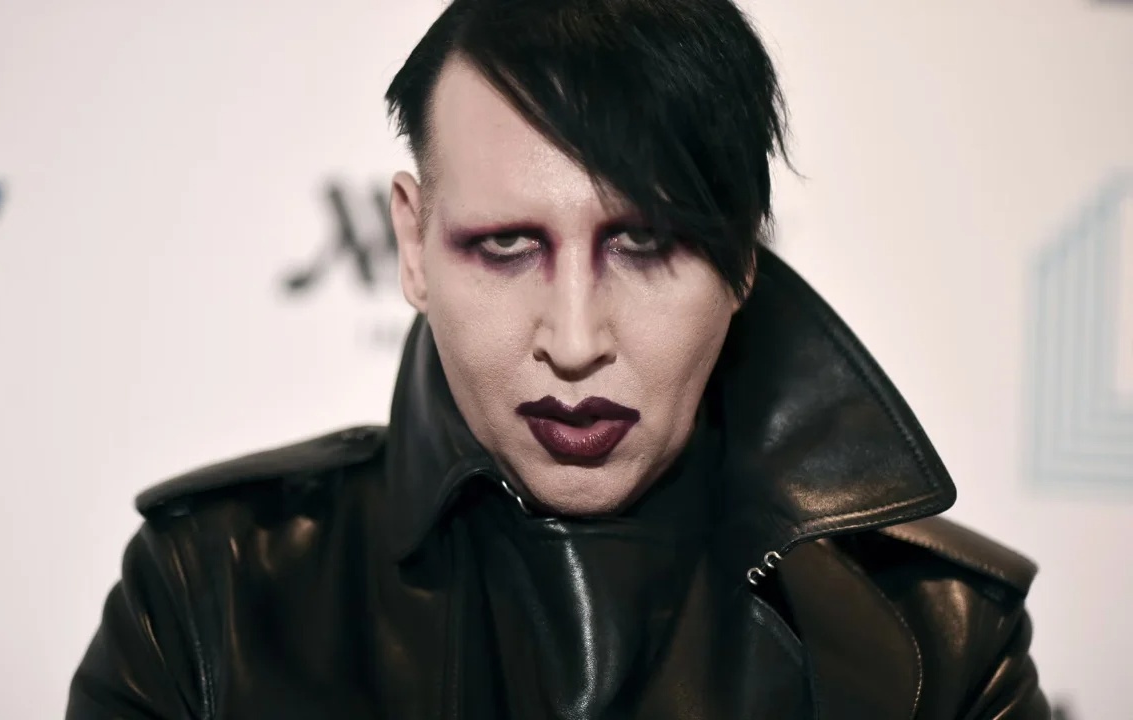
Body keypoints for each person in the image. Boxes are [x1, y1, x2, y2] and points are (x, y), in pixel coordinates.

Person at [67, 0, 1051, 717]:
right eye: (505, 244)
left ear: (744, 256)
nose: (575, 343)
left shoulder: (940, 638)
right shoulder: (211, 593)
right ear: (412, 244)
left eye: (646, 242)